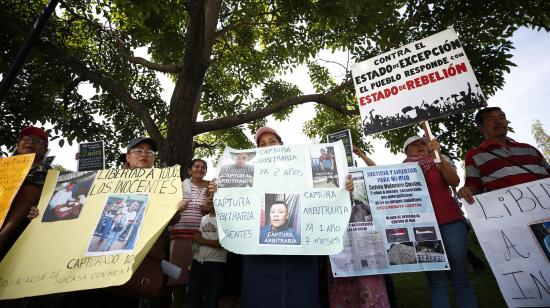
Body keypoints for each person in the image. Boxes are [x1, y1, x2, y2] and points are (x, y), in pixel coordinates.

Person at [208, 126, 354, 308]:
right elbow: (232, 202)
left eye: (272, 141)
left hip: (300, 256)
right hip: (260, 257)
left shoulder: (304, 169)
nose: (267, 146)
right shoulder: (247, 172)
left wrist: (344, 191)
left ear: (282, 145)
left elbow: (329, 201)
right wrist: (219, 192)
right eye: (262, 144)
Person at [403, 135, 478, 308]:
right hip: (423, 229)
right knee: (437, 283)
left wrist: (439, 158)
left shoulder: (439, 160)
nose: (420, 145)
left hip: (451, 223)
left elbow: (454, 181)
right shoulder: (400, 170)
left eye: (423, 143)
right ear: (406, 151)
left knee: (460, 278)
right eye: (414, 145)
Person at [328, 145, 390, 308]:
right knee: (343, 287)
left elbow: (378, 175)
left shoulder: (362, 182)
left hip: (366, 245)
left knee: (370, 284)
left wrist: (361, 154)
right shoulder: (325, 184)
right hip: (339, 246)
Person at [458, 107, 550, 203]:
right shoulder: (474, 155)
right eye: (491, 119)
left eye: (502, 118)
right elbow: (474, 186)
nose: (499, 122)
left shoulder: (529, 149)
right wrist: (466, 191)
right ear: (481, 127)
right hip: (512, 212)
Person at [0, 127, 51, 260]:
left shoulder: (39, 168)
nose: (31, 142)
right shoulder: (3, 165)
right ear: (18, 145)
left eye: (38, 141)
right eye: (27, 138)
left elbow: (26, 201)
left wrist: (5, 233)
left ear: (44, 151)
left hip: (10, 235)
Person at [168, 159, 210, 308]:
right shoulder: (179, 186)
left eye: (203, 167)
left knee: (199, 278)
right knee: (177, 277)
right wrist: (178, 207)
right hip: (179, 237)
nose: (200, 169)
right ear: (189, 170)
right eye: (196, 166)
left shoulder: (211, 188)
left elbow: (217, 211)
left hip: (202, 239)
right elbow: (168, 207)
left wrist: (209, 208)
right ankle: (176, 303)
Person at [188, 194, 227, 308]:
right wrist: (195, 241)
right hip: (197, 263)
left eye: (213, 199)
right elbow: (200, 238)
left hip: (215, 263)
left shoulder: (224, 219)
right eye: (209, 199)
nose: (210, 201)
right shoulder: (203, 218)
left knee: (211, 299)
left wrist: (202, 240)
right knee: (194, 299)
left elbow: (223, 243)